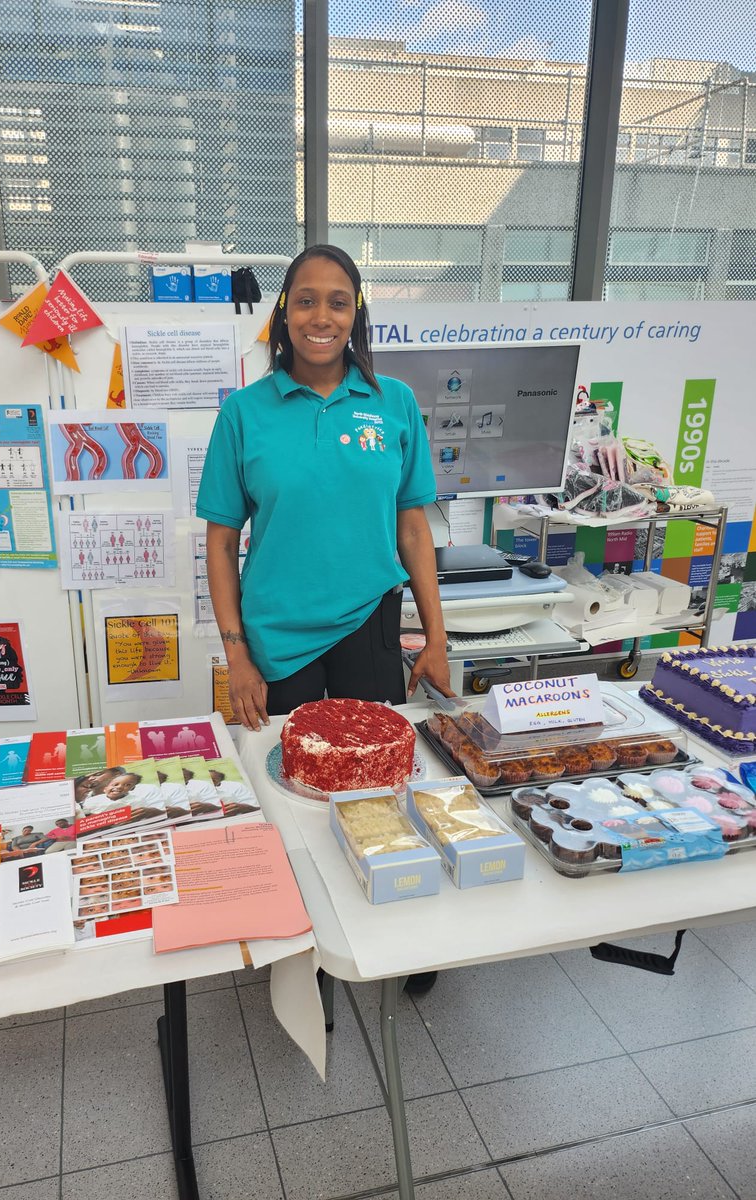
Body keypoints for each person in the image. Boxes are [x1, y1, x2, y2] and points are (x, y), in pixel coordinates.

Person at [197, 243, 453, 992]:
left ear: (357, 313)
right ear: (284, 314)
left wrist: (435, 639)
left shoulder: (394, 403)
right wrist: (237, 653)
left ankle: (399, 930)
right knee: (295, 795)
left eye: (338, 301)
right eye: (305, 300)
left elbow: (414, 531)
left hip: (369, 622)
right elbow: (219, 542)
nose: (321, 315)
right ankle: (306, 949)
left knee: (379, 785)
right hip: (276, 637)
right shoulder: (245, 413)